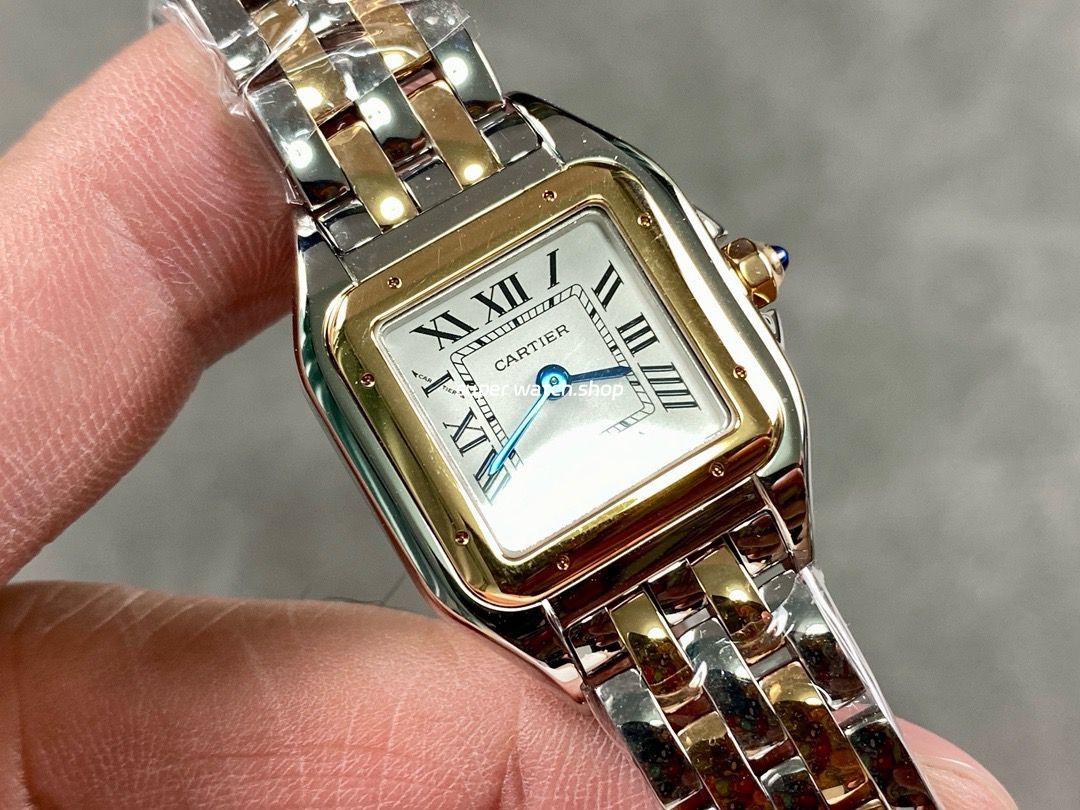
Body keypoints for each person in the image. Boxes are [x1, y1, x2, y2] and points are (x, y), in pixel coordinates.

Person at [0, 24, 1017, 809]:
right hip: (592, 588)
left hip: (708, 515)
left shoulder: (556, 184)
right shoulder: (356, 295)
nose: (549, 380)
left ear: (733, 281)